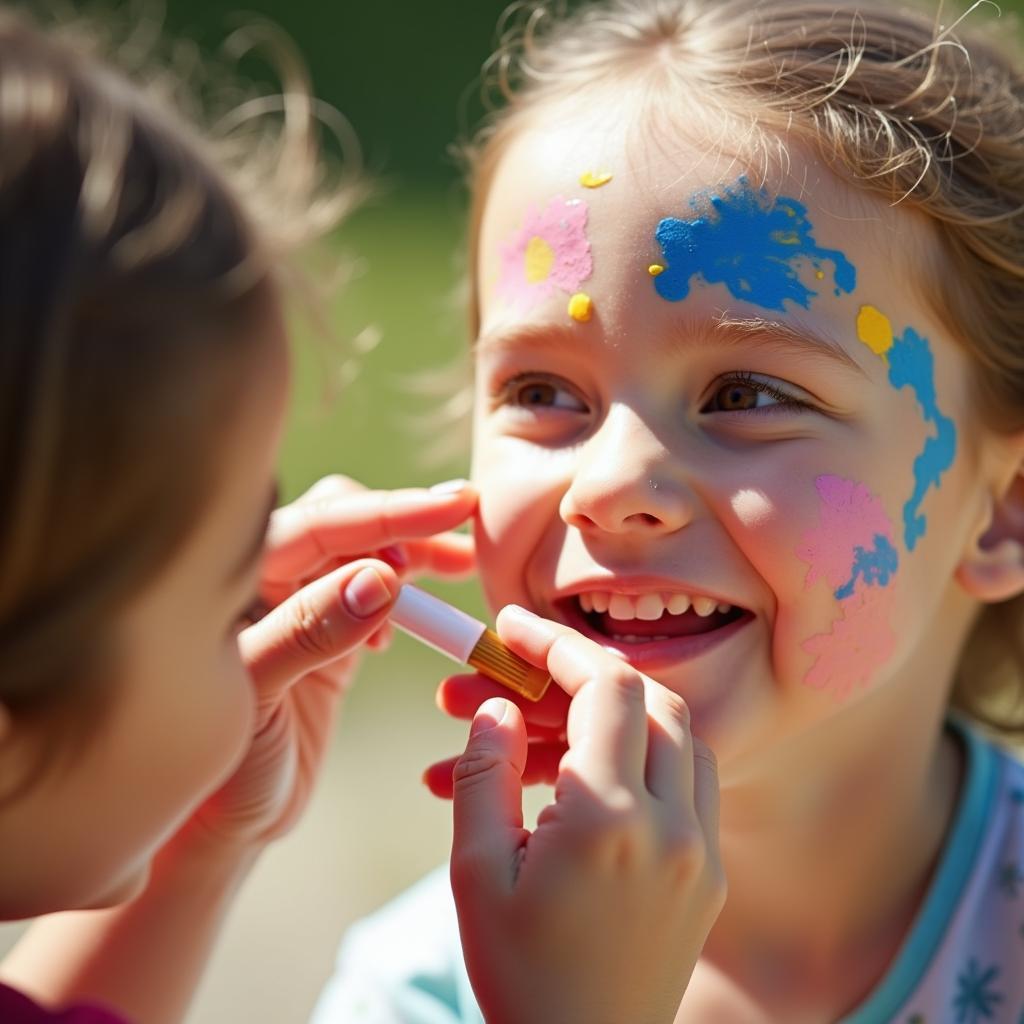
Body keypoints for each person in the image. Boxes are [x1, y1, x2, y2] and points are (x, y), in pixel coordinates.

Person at [312, 0, 1024, 1021]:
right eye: (543, 393)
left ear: (1001, 511)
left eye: (746, 395)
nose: (607, 486)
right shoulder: (420, 990)